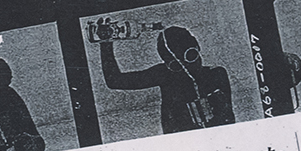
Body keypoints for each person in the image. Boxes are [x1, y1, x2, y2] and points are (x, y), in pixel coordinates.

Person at [93, 19, 233, 134]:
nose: (185, 68)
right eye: (175, 65)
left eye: (190, 56)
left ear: (197, 47)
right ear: (167, 64)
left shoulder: (217, 74)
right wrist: (106, 44)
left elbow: (228, 120)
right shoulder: (164, 74)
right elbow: (115, 81)